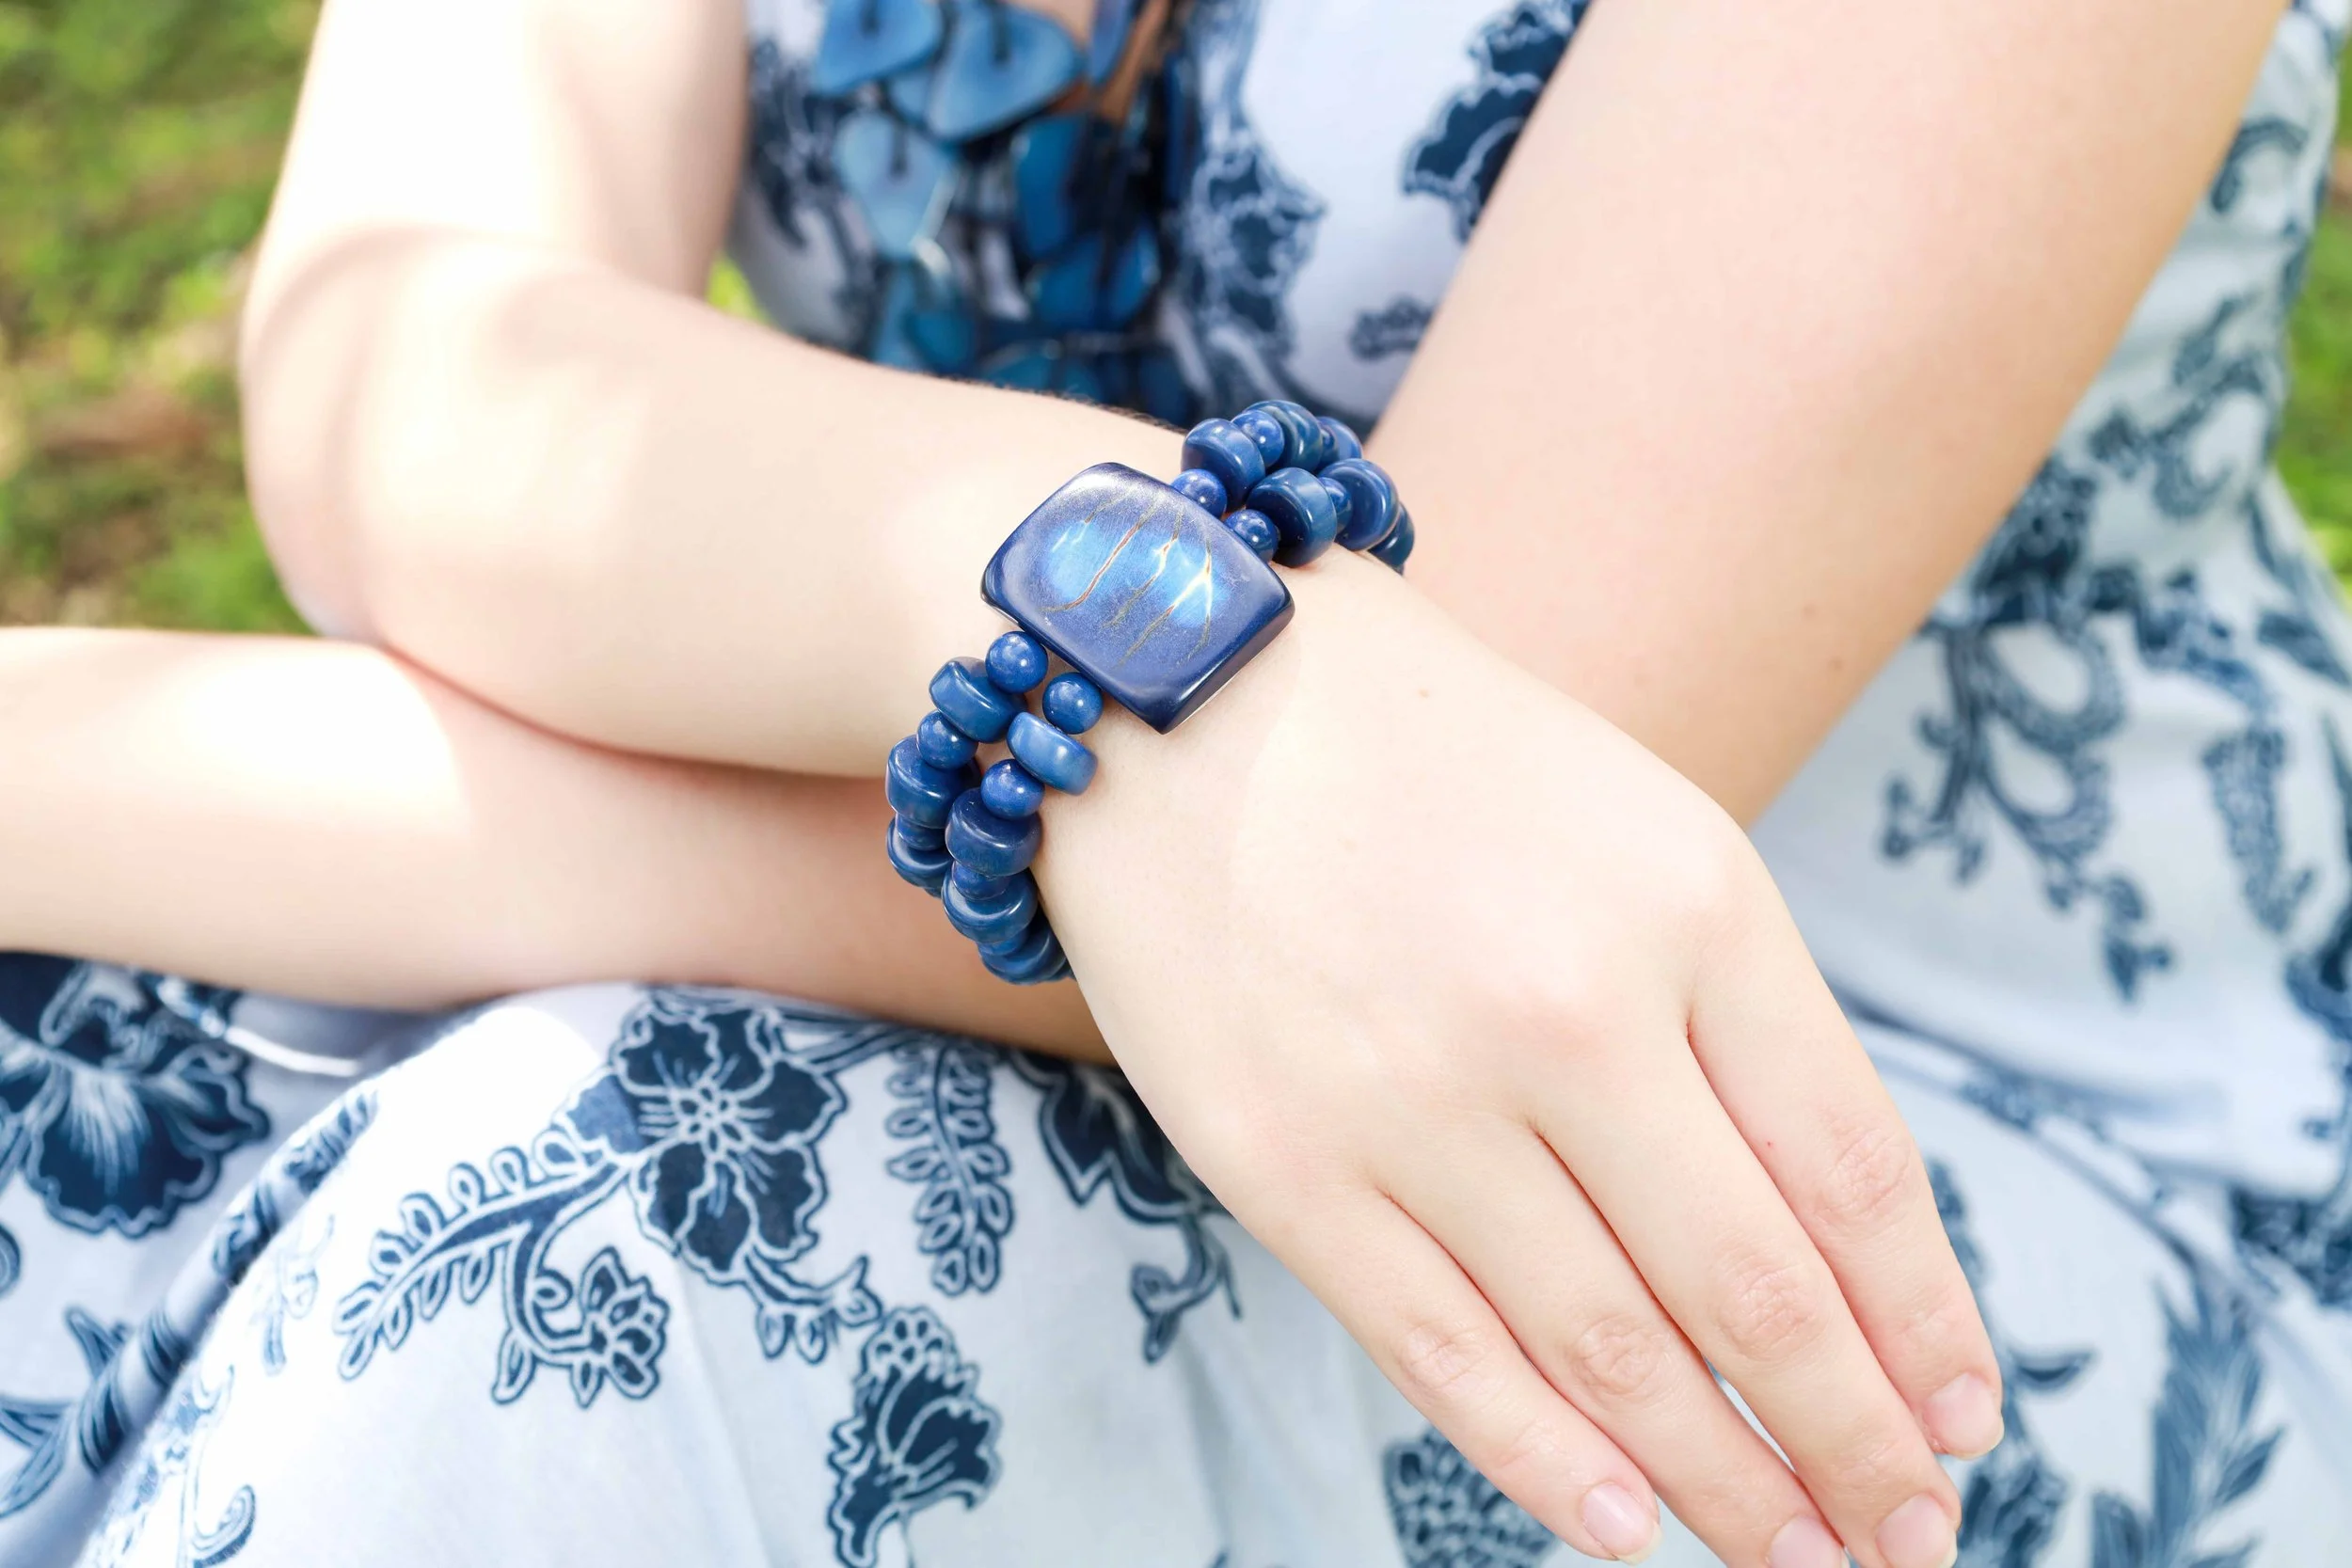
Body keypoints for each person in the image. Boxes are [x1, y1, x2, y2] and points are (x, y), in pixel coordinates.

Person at [1, 0, 2346, 1563]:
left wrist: (87, 783)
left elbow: (1413, 881)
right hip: (923, 909)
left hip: (1853, 1199)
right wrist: (1030, 577)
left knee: (609, 1238)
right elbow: (407, 343)